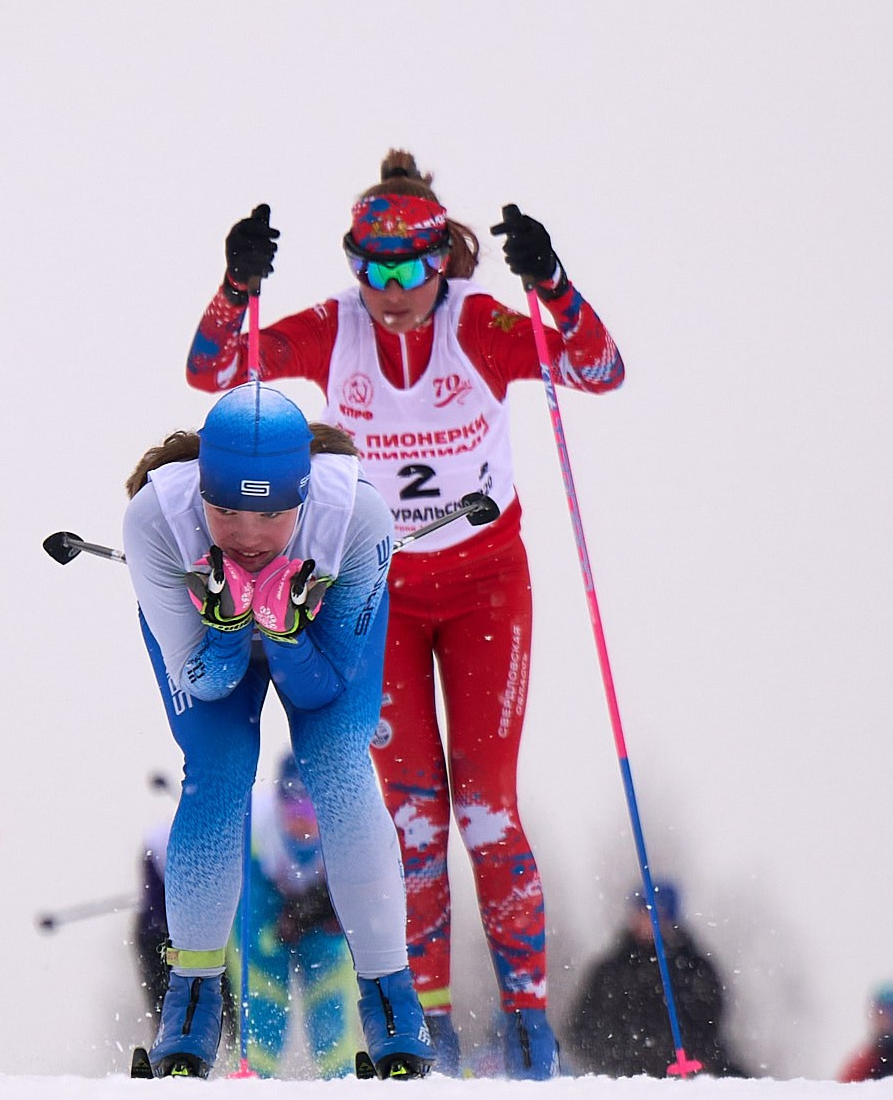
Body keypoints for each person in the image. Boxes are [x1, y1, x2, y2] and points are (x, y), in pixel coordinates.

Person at [187, 151, 627, 1078]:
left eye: (410, 267)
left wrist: (551, 281)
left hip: (482, 587)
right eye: (370, 266)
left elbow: (600, 369)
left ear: (444, 259)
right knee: (410, 818)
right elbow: (209, 371)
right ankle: (424, 1031)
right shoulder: (333, 331)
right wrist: (236, 284)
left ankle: (528, 1029)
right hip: (376, 588)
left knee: (486, 812)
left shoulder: (483, 325)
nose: (390, 290)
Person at [124, 384, 434, 1078]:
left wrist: (288, 632)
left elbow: (322, 687)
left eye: (271, 514)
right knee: (220, 770)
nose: (247, 535)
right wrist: (232, 625)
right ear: (200, 491)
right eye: (226, 510)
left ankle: (391, 1005)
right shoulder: (156, 521)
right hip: (212, 651)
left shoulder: (357, 517)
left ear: (302, 498)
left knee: (342, 772)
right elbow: (207, 683)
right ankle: (192, 1006)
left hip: (317, 647)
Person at [243, 755, 361, 1079]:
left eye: (310, 811)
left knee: (329, 1006)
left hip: (321, 927)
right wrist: (276, 931)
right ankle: (254, 1079)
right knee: (264, 1005)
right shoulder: (257, 827)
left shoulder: (345, 826)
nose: (302, 822)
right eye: (293, 811)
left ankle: (341, 1080)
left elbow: (355, 898)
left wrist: (320, 912)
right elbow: (251, 916)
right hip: (269, 914)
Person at [566, 879, 742, 1077]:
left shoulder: (695, 969)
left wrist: (687, 1057)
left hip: (688, 1077)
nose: (644, 920)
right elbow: (581, 1030)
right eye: (640, 912)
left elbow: (709, 1024)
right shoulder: (610, 971)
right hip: (627, 1082)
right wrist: (621, 1063)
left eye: (653, 913)